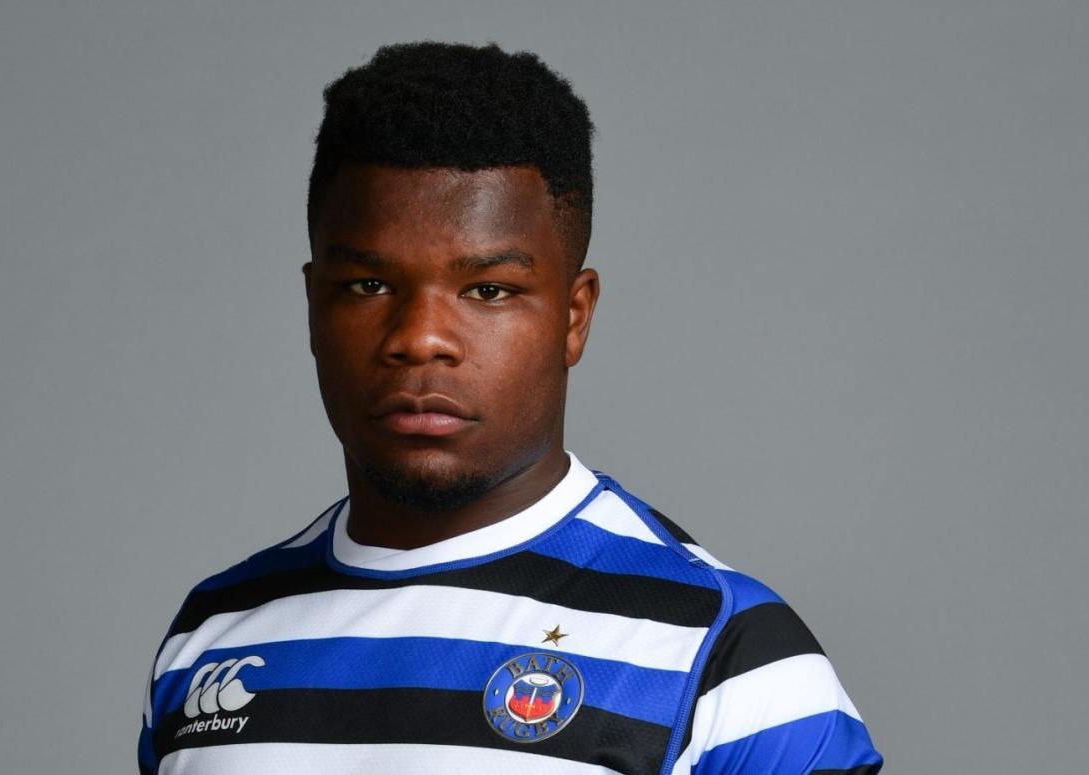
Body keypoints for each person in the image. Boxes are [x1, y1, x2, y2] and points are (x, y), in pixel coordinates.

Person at [138, 42, 883, 775]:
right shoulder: (213, 637)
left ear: (573, 315)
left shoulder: (726, 658)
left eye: (488, 290)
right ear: (312, 306)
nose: (420, 338)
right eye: (368, 285)